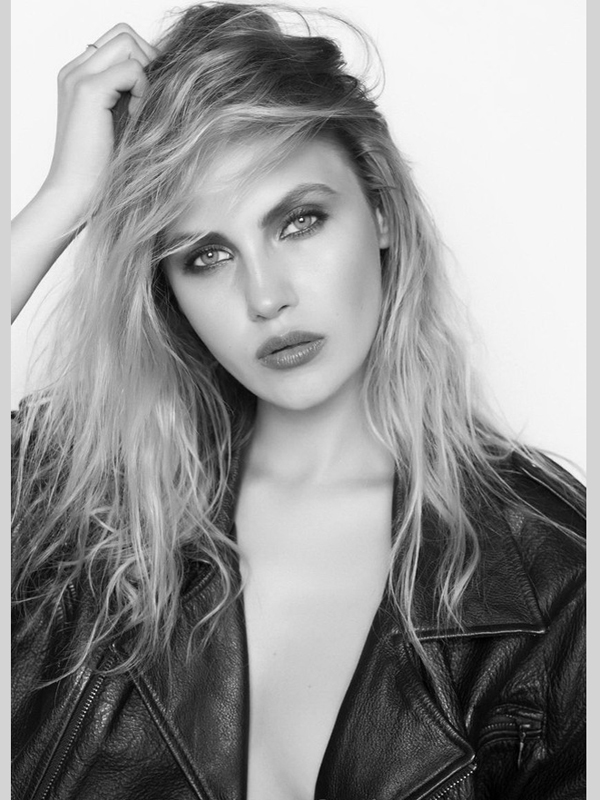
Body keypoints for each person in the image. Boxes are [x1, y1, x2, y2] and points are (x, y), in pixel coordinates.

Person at [11, 3, 585, 799]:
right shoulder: (69, 507)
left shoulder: (557, 576)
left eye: (299, 221)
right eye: (206, 255)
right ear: (168, 290)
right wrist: (60, 203)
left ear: (380, 210)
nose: (265, 296)